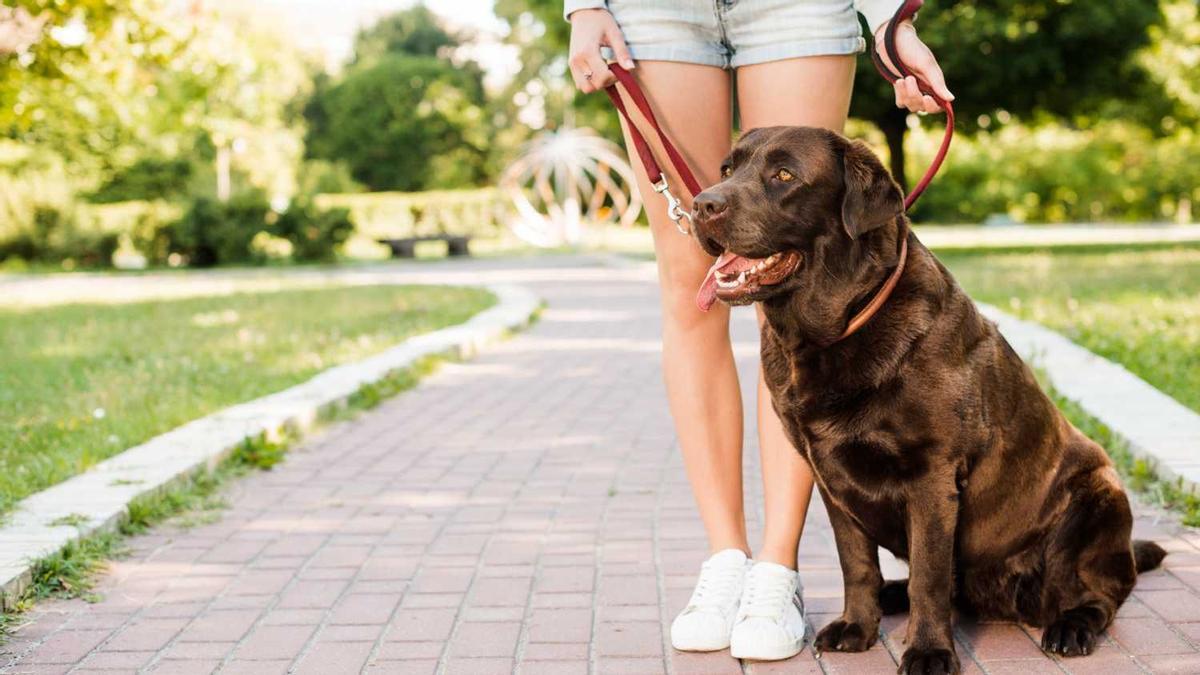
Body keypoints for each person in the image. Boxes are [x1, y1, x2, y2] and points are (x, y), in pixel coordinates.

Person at [564, 0, 953, 662]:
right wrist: (584, 4)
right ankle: (727, 557)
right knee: (694, 287)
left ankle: (777, 569)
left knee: (797, 279)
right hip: (650, 13)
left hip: (795, 7)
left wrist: (893, 19)